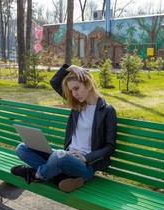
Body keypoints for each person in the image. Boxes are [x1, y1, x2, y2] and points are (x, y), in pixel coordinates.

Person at [10, 64, 117, 192]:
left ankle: (36, 175)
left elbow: (109, 146)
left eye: (76, 88)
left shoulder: (107, 111)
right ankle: (59, 177)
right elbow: (55, 82)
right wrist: (72, 67)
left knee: (58, 156)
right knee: (22, 148)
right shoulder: (77, 105)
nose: (74, 94)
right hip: (66, 156)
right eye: (71, 90)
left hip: (85, 166)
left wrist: (86, 158)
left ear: (88, 84)